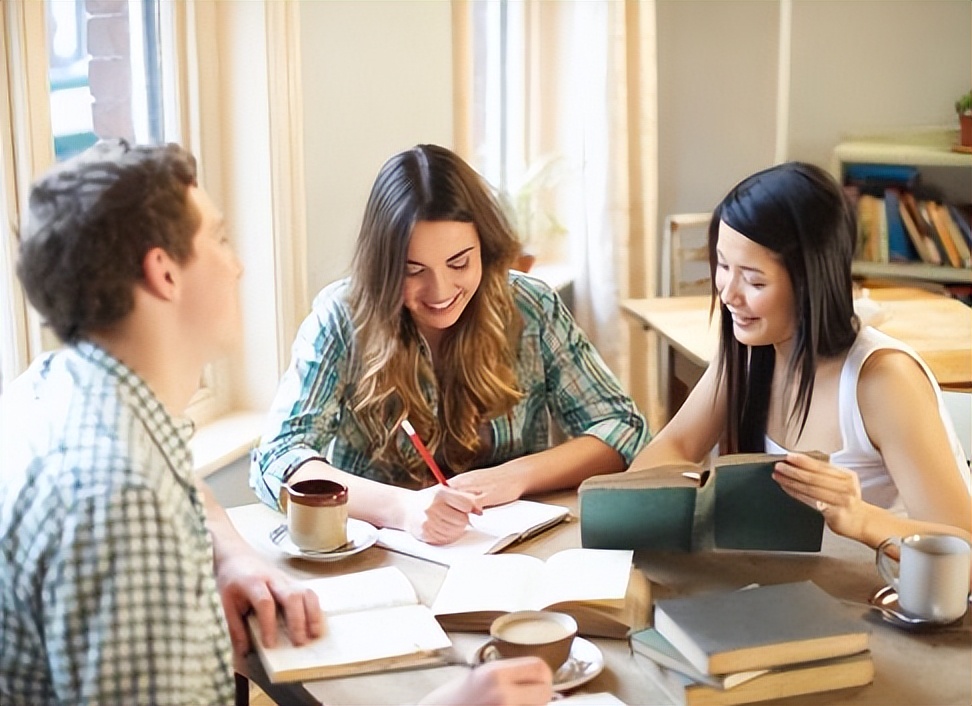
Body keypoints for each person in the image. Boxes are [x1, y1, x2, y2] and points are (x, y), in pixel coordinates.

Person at [0, 140, 553, 706]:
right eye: (219, 239)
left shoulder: (60, 391)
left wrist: (232, 556)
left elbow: (179, 482)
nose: (237, 264)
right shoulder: (124, 506)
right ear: (164, 274)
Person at [251, 143, 647, 544]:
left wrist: (515, 476)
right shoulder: (342, 318)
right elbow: (279, 457)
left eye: (459, 263)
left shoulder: (531, 307)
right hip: (385, 558)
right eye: (413, 271)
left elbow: (624, 429)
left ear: (485, 249)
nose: (440, 291)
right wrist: (401, 508)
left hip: (512, 551)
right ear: (383, 266)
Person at [629, 161, 971, 553]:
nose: (728, 294)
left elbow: (964, 550)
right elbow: (674, 447)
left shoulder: (883, 380)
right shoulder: (749, 350)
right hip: (780, 580)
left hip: (879, 586)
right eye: (723, 266)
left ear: (811, 283)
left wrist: (859, 517)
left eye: (754, 280)